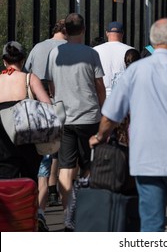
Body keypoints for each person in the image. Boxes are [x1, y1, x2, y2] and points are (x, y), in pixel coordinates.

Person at [89, 18, 167, 232]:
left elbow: (111, 115)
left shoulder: (135, 71)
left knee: (151, 224)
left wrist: (99, 136)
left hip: (145, 159)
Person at [46, 13, 106, 231]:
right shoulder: (91, 53)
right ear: (83, 29)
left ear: (66, 29)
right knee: (89, 165)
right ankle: (86, 213)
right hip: (90, 115)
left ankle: (67, 214)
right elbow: (99, 86)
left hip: (65, 116)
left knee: (66, 165)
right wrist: (104, 109)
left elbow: (51, 85)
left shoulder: (54, 53)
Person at [0, 41, 51, 229]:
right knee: (30, 180)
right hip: (26, 136)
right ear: (23, 59)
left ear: (5, 61)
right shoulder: (30, 78)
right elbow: (47, 106)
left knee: (4, 181)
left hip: (2, 140)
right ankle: (27, 223)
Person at [24, 19, 67, 225]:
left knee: (41, 150)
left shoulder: (38, 47)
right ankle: (52, 189)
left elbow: (26, 70)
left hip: (34, 104)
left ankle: (44, 192)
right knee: (57, 147)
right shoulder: (68, 48)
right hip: (59, 101)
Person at [94, 21, 133, 97]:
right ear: (122, 34)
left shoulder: (96, 50)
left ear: (107, 33)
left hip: (100, 95)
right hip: (123, 95)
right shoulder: (131, 51)